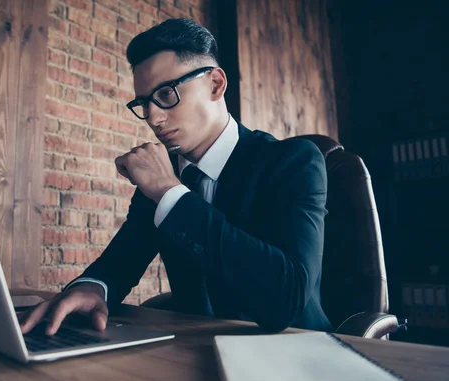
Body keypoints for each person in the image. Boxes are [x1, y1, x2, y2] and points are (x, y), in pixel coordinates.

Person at [21, 18, 332, 336]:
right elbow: (122, 259)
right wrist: (92, 287)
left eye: (167, 94)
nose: (153, 117)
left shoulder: (293, 161)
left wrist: (170, 192)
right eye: (144, 103)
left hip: (295, 354)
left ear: (215, 84)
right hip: (194, 353)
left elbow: (286, 299)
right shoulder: (162, 175)